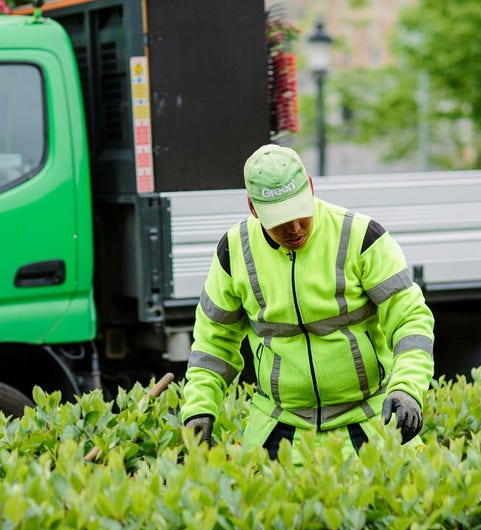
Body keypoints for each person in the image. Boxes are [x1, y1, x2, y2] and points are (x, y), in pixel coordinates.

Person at [179, 144, 435, 460]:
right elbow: (213, 344)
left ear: (311, 188)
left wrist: (406, 389)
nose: (295, 228)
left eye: (300, 213)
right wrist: (199, 408)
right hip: (277, 427)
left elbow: (411, 319)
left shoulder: (361, 236)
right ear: (253, 208)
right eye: (281, 220)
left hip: (369, 422)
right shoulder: (233, 253)